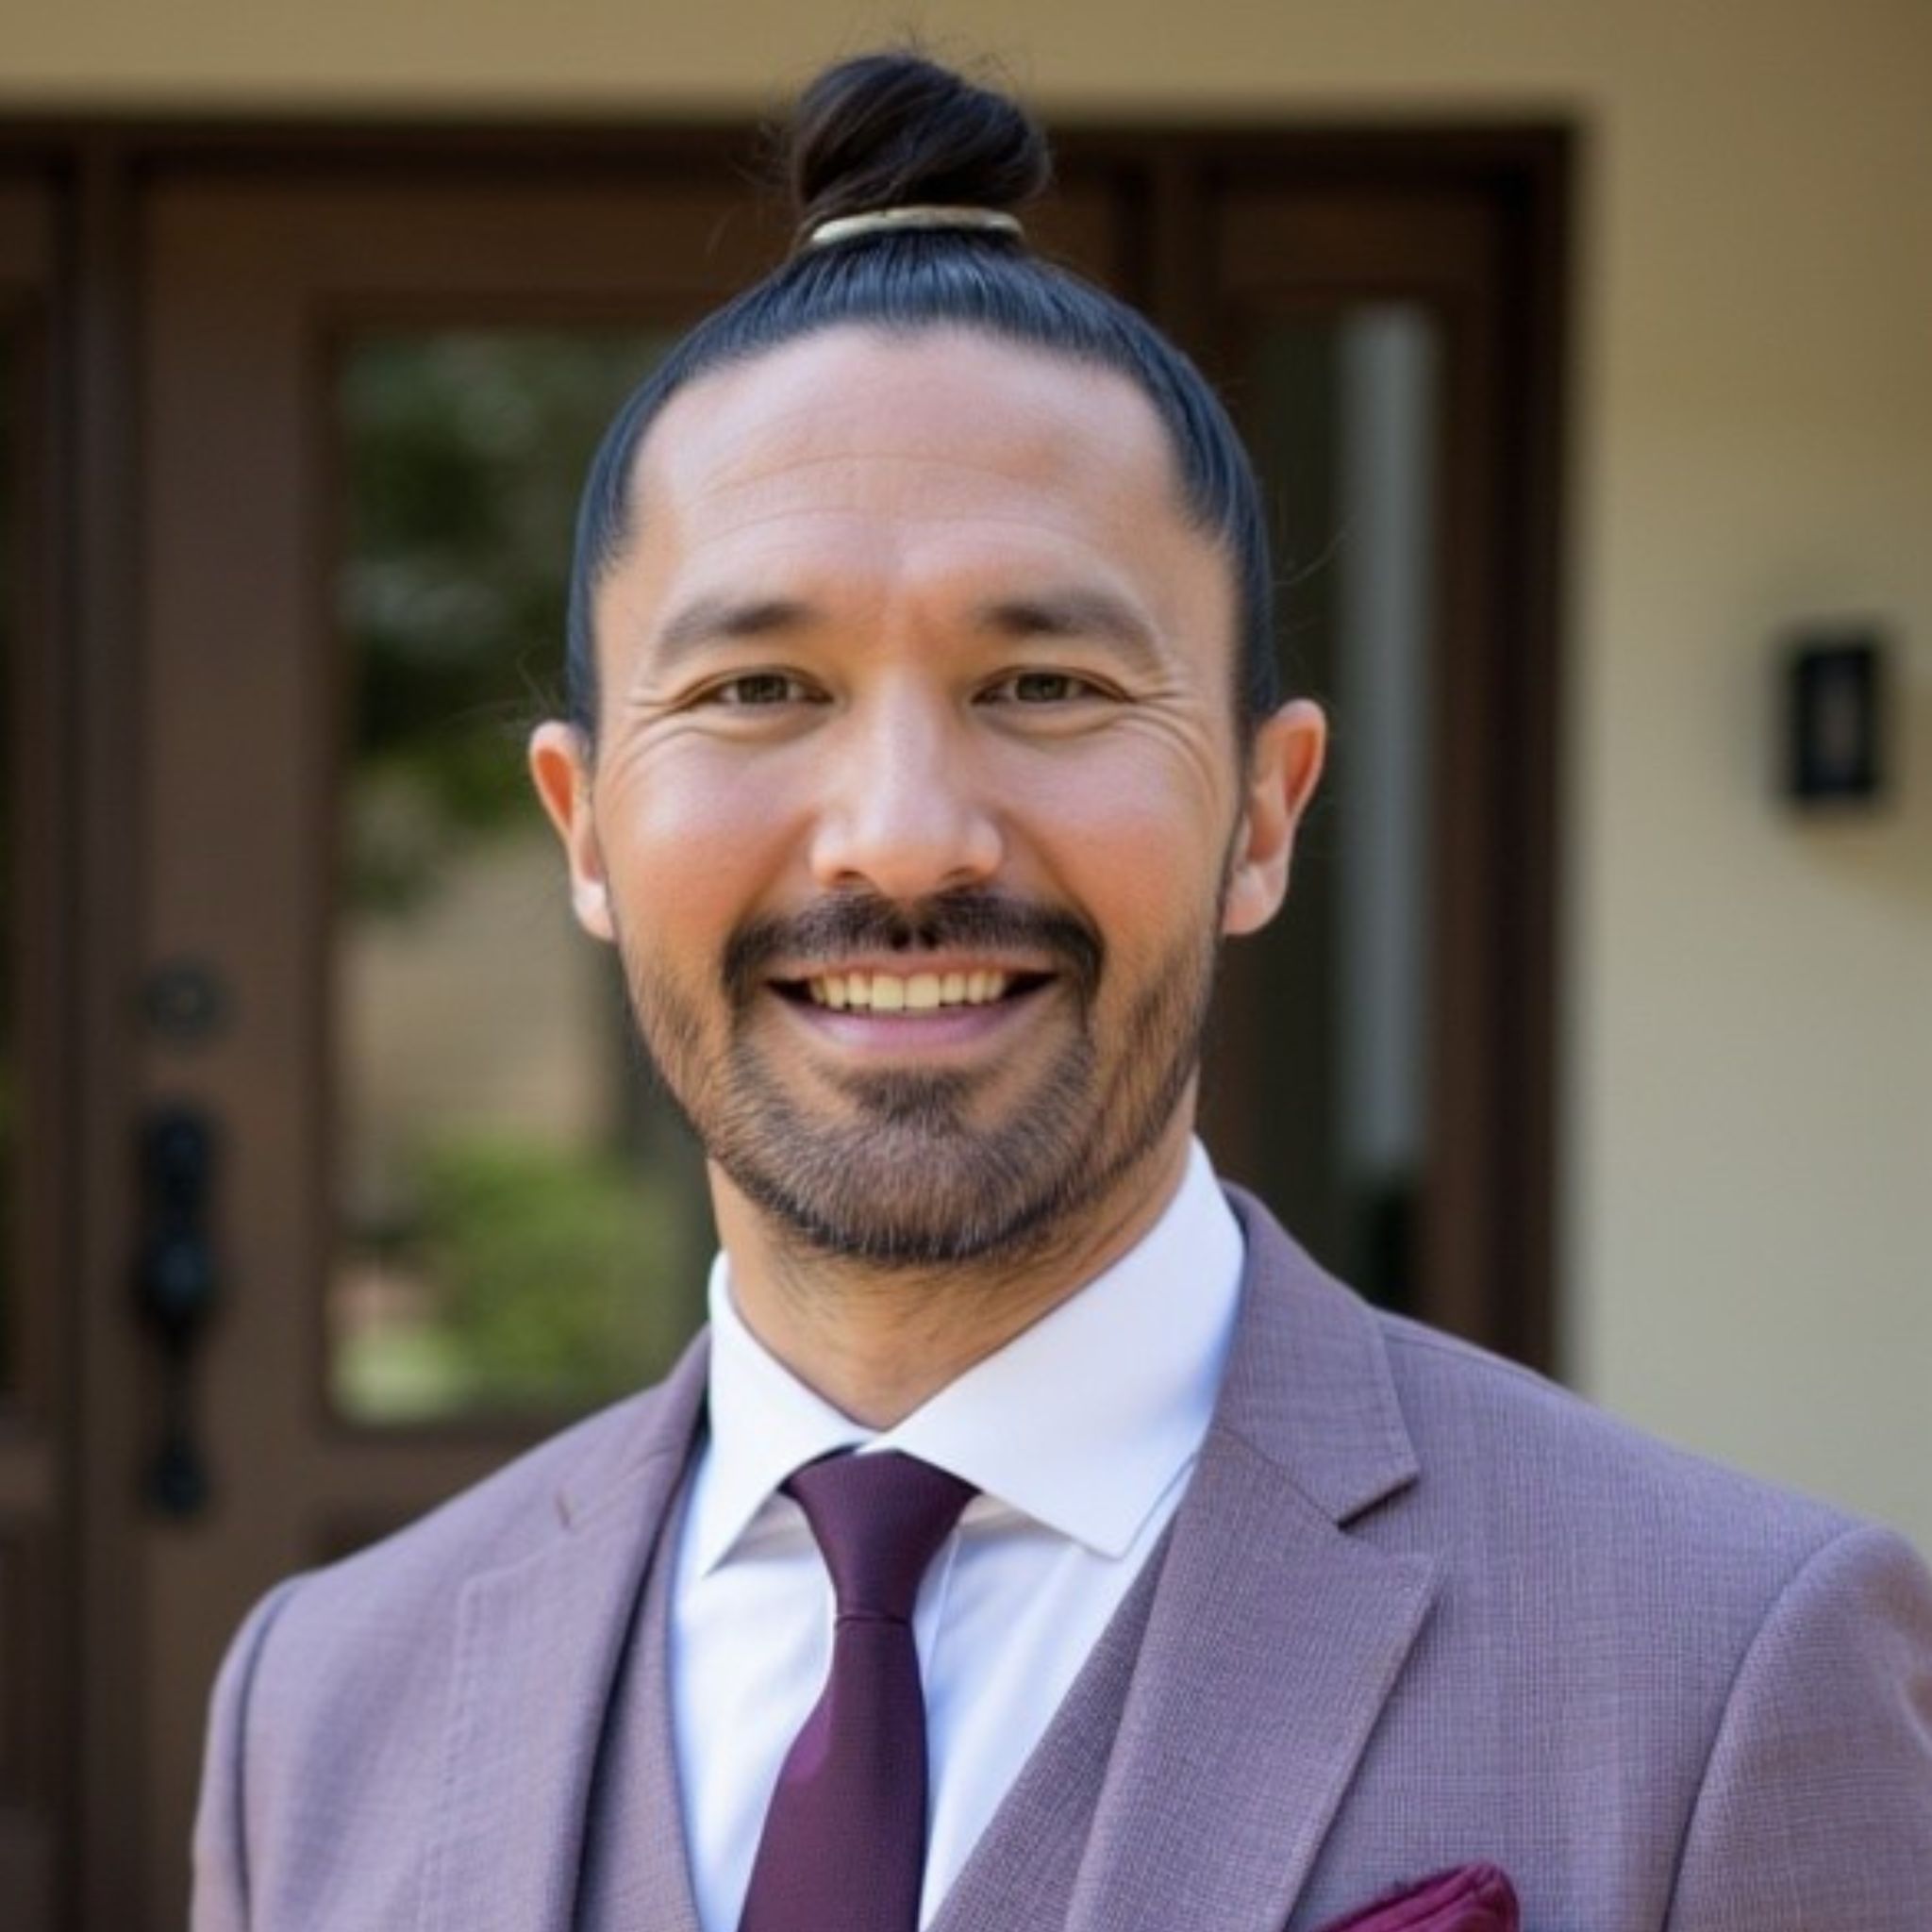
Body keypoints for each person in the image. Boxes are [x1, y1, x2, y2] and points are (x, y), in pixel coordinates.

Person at [192, 51, 1932, 1932]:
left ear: (1263, 815)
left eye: (1046, 687)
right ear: (585, 828)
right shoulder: (319, 1707)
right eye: (757, 690)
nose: (901, 840)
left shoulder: (1730, 1665)